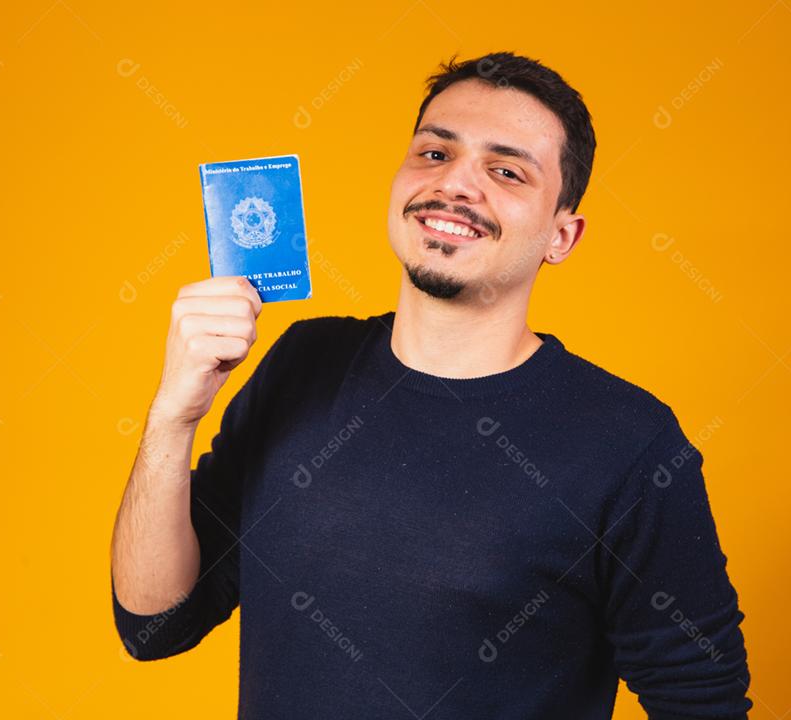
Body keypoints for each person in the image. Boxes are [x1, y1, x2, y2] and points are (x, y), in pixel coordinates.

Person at [110, 51, 752, 719]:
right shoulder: (303, 363)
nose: (456, 184)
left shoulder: (629, 445)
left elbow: (703, 704)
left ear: (562, 237)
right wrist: (173, 416)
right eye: (435, 153)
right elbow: (154, 627)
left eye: (507, 171)